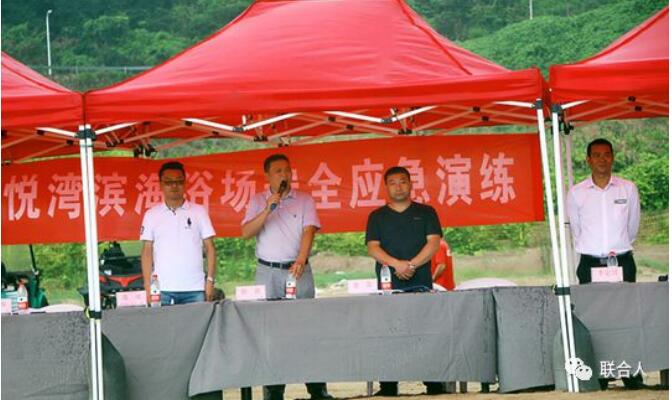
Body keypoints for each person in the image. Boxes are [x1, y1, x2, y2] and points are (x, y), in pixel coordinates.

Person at [241, 154, 333, 400]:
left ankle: (317, 388)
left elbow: (309, 230)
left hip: (297, 270)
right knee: (269, 331)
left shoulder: (304, 200)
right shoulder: (258, 200)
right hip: (268, 272)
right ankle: (274, 390)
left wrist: (301, 259)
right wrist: (268, 208)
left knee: (307, 328)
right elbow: (246, 232)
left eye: (287, 170)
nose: (285, 175)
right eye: (278, 171)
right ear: (268, 175)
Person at [566, 138, 645, 390]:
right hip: (591, 263)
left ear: (613, 157)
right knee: (594, 319)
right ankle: (601, 373)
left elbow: (632, 227)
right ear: (588, 160)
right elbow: (576, 230)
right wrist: (595, 250)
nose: (602, 159)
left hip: (622, 260)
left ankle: (631, 373)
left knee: (627, 316)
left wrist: (617, 246)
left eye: (607, 154)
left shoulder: (627, 189)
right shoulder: (576, 192)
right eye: (597, 155)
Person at [365, 166, 445, 396]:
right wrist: (396, 265)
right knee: (389, 333)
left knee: (425, 331)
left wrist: (411, 265)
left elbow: (433, 243)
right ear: (386, 187)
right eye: (393, 183)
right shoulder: (377, 216)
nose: (398, 187)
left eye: (402, 181)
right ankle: (389, 385)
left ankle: (433, 383)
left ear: (410, 184)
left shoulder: (426, 212)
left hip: (420, 281)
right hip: (389, 284)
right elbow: (373, 247)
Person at [140, 161, 217, 306]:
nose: (174, 186)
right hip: (162, 288)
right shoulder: (151, 214)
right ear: (161, 184)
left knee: (198, 321)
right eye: (168, 182)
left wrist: (210, 280)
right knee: (162, 322)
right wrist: (147, 285)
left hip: (195, 288)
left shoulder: (199, 211)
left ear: (185, 183)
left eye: (179, 181)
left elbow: (210, 248)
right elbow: (146, 251)